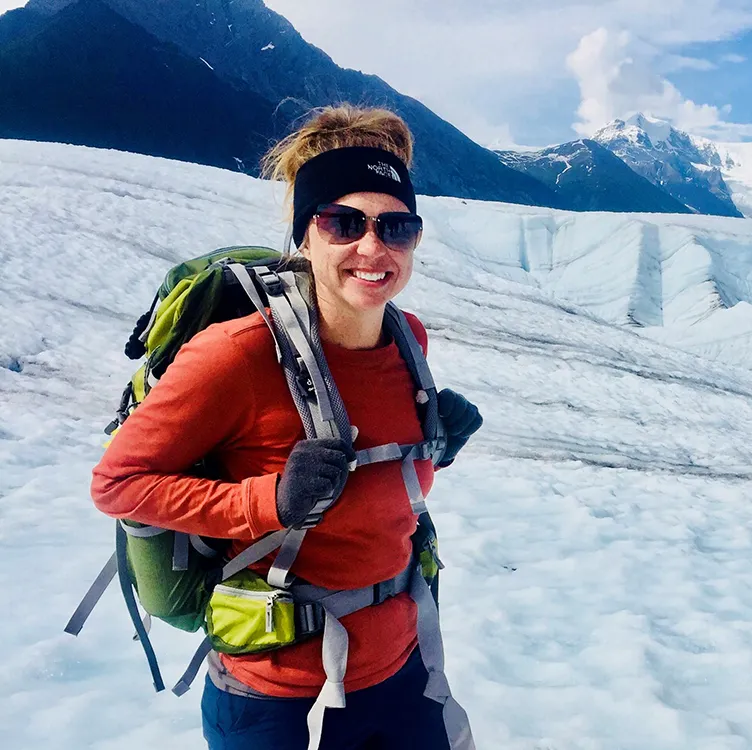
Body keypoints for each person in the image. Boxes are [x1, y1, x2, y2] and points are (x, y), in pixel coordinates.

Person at [90, 105, 482, 749]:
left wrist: (436, 448)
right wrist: (268, 500)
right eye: (343, 222)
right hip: (278, 697)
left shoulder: (408, 339)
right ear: (306, 235)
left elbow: (371, 505)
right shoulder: (237, 353)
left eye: (396, 226)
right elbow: (119, 484)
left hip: (404, 671)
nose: (372, 247)